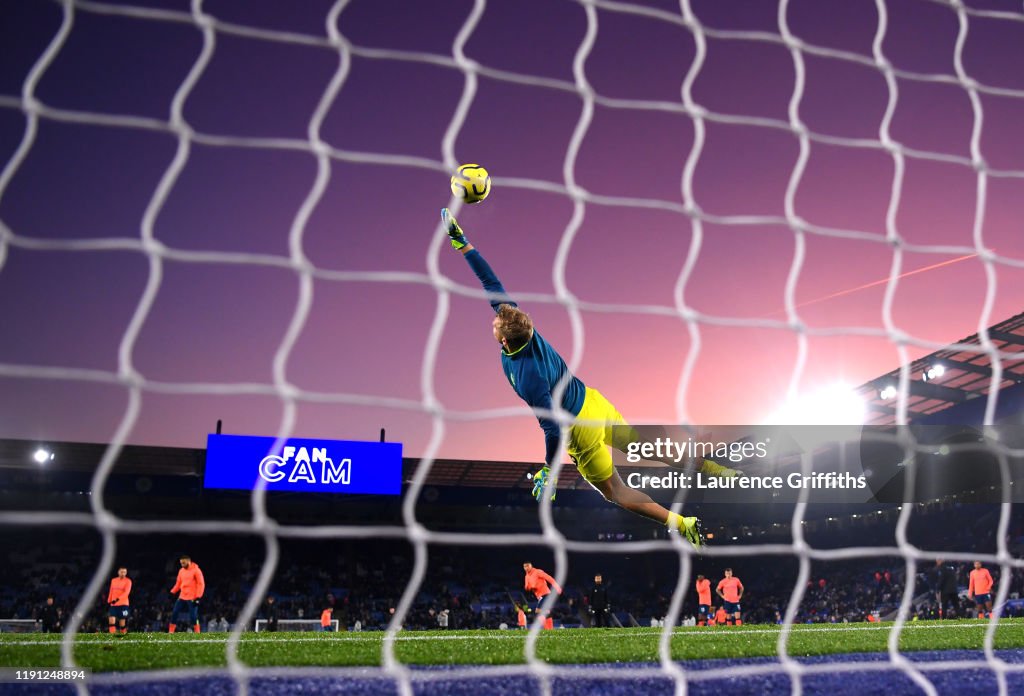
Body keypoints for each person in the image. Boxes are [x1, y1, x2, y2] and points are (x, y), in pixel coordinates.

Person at [443, 209, 737, 549]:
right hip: (594, 402)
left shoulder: (529, 377)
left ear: (505, 340)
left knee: (615, 490)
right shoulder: (518, 323)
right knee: (646, 447)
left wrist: (548, 472)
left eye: (496, 326)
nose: (494, 321)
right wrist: (462, 244)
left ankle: (680, 522)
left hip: (579, 428)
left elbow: (553, 429)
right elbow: (489, 281)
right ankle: (711, 468)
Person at [168, 554, 205, 633]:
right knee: (174, 613)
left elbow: (201, 584)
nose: (182, 565)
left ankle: (197, 632)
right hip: (182, 596)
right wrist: (172, 592)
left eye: (184, 563)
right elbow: (178, 583)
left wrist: (198, 597)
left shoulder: (196, 570)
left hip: (192, 597)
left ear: (189, 561)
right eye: (181, 563)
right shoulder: (181, 571)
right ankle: (171, 632)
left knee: (193, 617)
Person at [523, 562, 561, 630]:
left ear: (531, 566)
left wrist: (557, 586)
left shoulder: (538, 572)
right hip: (539, 597)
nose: (526, 568)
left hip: (546, 594)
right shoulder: (526, 576)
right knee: (545, 612)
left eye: (528, 566)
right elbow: (526, 587)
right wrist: (530, 587)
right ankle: (549, 629)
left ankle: (548, 628)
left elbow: (548, 578)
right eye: (525, 566)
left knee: (538, 611)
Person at [107, 566, 132, 634]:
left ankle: (123, 632)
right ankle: (112, 636)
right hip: (114, 604)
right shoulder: (113, 580)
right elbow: (111, 590)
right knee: (111, 620)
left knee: (122, 622)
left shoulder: (128, 581)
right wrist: (109, 599)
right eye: (121, 572)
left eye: (124, 572)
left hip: (123, 604)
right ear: (118, 572)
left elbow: (126, 593)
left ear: (126, 573)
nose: (123, 573)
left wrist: (117, 599)